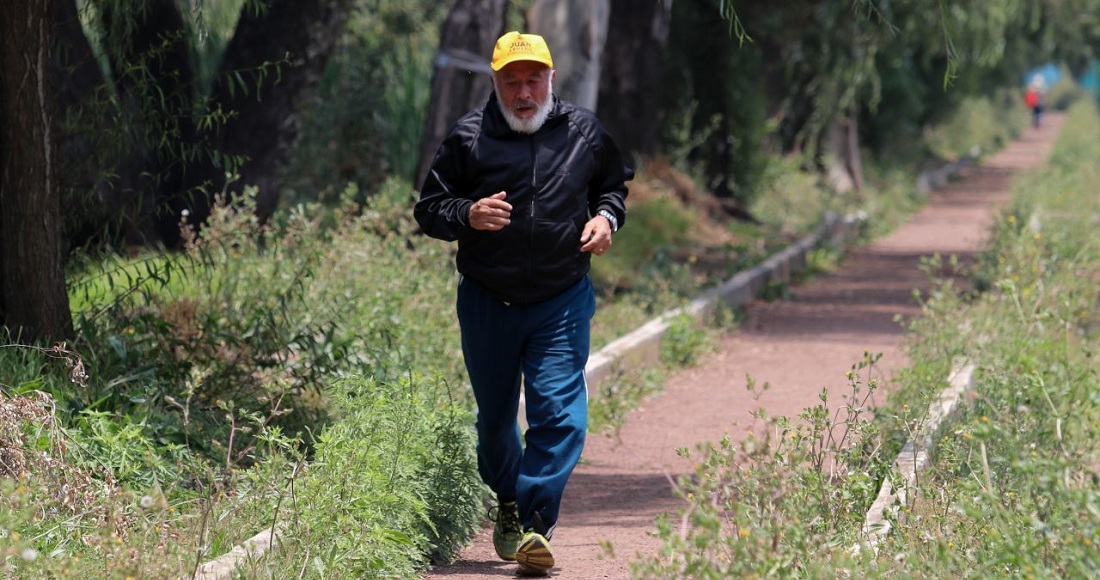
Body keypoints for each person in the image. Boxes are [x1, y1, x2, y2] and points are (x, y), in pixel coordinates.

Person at [414, 31, 631, 576]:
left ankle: (536, 523)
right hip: (488, 300)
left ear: (552, 78)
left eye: (534, 79)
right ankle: (508, 498)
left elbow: (613, 186)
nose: (524, 92)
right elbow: (430, 208)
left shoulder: (584, 132)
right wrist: (468, 213)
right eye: (511, 81)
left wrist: (606, 218)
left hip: (561, 298)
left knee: (559, 413)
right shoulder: (468, 137)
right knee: (494, 422)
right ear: (495, 82)